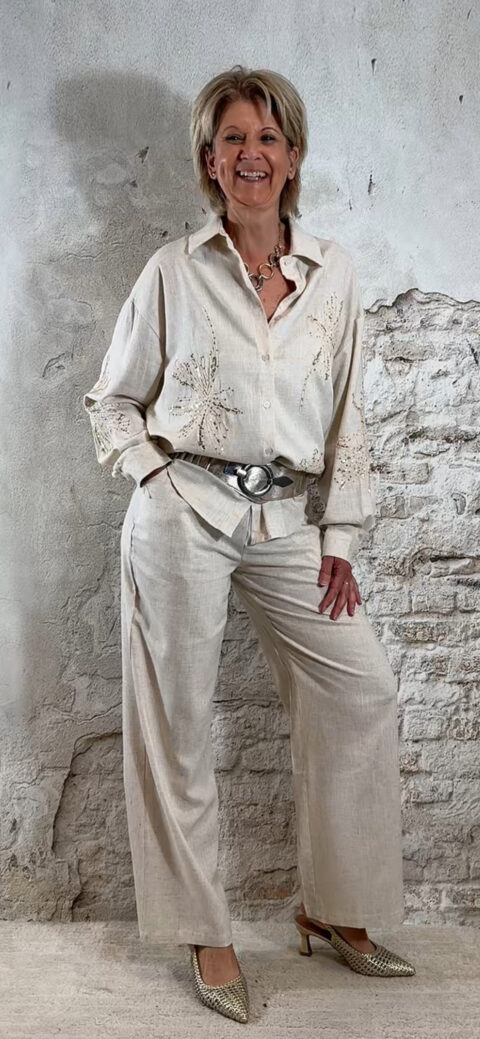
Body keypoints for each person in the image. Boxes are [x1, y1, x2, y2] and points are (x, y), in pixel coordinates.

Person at [83, 65, 415, 1025]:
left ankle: (334, 907)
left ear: (294, 155)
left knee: (360, 688)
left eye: (267, 137)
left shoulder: (334, 272)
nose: (251, 153)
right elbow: (111, 397)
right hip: (182, 508)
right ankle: (205, 932)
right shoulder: (173, 271)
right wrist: (155, 480)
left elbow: (349, 411)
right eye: (232, 138)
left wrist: (339, 532)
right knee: (178, 720)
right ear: (209, 159)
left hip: (286, 520)